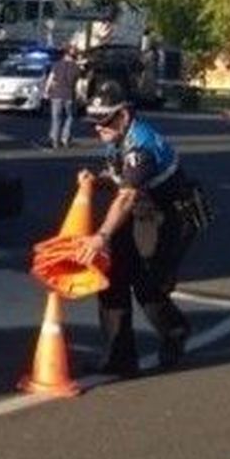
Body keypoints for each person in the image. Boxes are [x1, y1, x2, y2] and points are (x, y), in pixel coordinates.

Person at [75, 100, 209, 377]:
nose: (98, 127)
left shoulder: (141, 146)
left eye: (105, 120)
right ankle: (119, 357)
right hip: (139, 210)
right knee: (112, 278)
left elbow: (126, 196)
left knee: (148, 284)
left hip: (166, 215)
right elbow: (119, 178)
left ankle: (175, 331)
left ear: (124, 115)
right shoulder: (118, 137)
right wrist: (97, 180)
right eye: (94, 120)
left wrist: (101, 236)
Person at [43, 46, 80, 148]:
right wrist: (80, 96)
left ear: (64, 54)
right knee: (69, 117)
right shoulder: (76, 68)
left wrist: (46, 91)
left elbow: (50, 79)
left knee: (56, 118)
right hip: (69, 95)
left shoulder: (56, 65)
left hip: (56, 94)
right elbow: (78, 84)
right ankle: (65, 138)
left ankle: (54, 139)